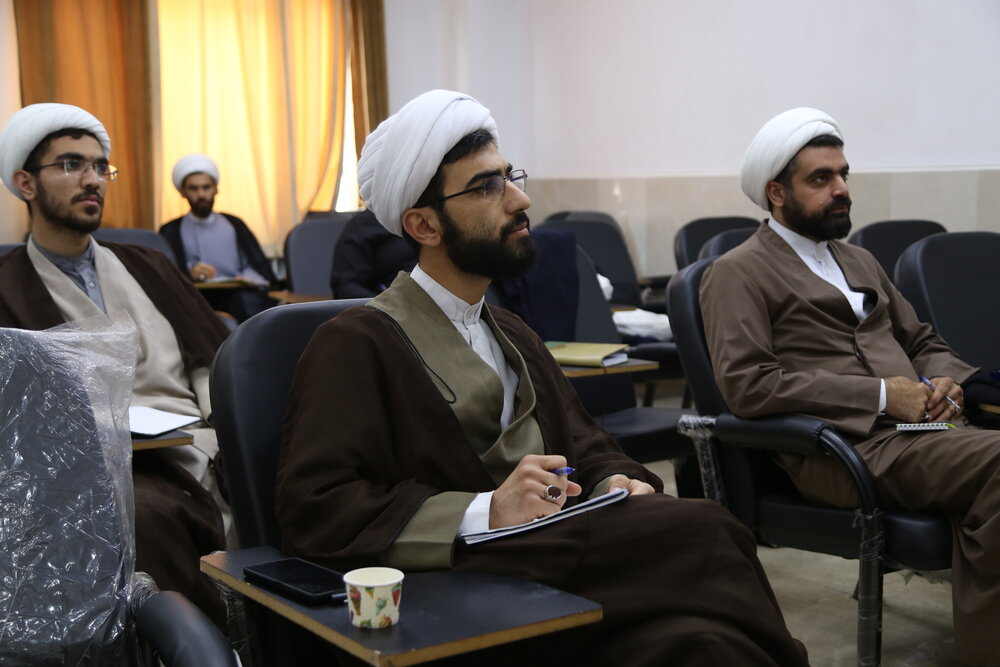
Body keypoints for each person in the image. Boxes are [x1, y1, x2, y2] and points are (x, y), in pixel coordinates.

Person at [276, 89, 808, 665]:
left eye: (510, 177)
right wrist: (486, 509)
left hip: (557, 555)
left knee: (706, 645)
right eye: (486, 187)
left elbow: (585, 443)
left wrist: (613, 482)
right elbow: (316, 506)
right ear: (424, 224)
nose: (521, 199)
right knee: (706, 529)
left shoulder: (512, 332)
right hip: (470, 583)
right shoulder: (356, 342)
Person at [701, 107, 1000, 666]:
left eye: (843, 174)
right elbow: (748, 385)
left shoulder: (858, 259)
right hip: (846, 450)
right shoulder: (737, 271)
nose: (841, 189)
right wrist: (883, 395)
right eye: (821, 178)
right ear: (776, 193)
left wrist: (947, 380)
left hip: (926, 433)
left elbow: (922, 339)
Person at [0, 103, 231, 626]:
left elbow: (212, 356)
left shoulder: (148, 264)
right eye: (70, 164)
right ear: (25, 183)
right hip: (97, 468)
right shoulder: (7, 283)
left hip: (203, 441)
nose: (92, 180)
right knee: (141, 517)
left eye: (100, 167)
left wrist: (228, 428)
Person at [160, 153, 278, 321]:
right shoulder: (170, 230)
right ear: (183, 192)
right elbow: (165, 276)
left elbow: (259, 268)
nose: (201, 195)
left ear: (216, 189)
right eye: (193, 188)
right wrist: (189, 273)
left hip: (237, 297)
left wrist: (246, 278)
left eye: (206, 187)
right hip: (195, 297)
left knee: (247, 302)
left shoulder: (234, 224)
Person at [329, 207, 416, 298]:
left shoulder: (422, 220)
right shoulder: (363, 224)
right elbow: (345, 286)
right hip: (389, 301)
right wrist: (383, 303)